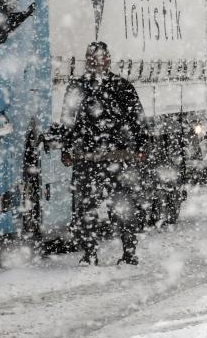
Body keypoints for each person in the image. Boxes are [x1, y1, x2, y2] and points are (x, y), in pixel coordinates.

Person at [60, 42, 148, 266]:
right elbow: (68, 122)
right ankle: (92, 253)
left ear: (108, 60)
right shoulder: (80, 88)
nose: (97, 61)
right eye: (93, 58)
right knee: (87, 209)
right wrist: (67, 148)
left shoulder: (119, 87)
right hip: (92, 159)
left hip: (115, 158)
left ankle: (126, 253)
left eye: (100, 57)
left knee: (119, 207)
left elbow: (137, 120)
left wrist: (139, 147)